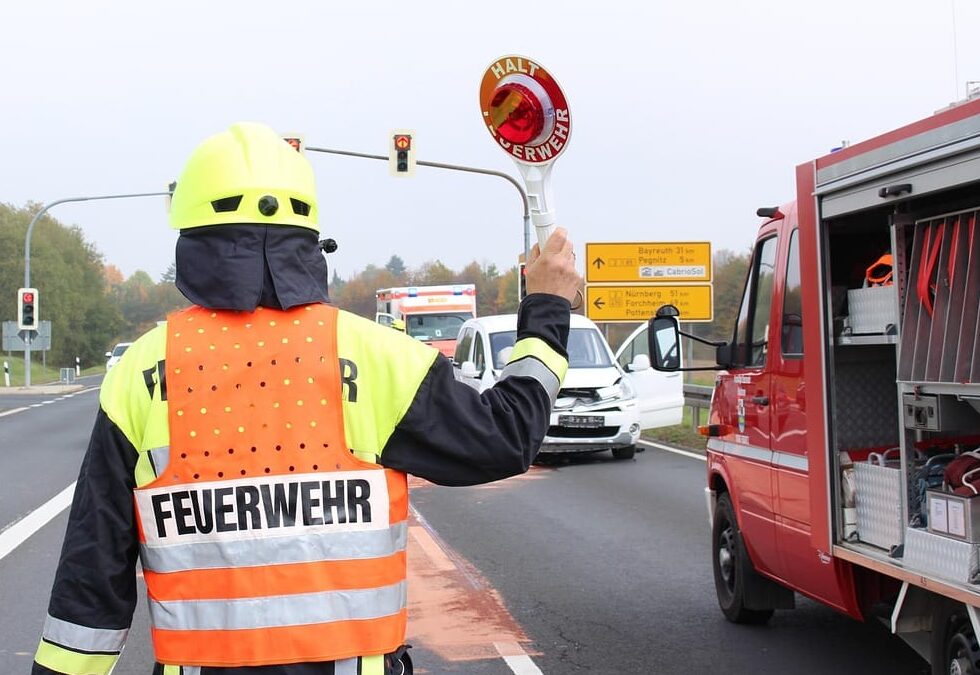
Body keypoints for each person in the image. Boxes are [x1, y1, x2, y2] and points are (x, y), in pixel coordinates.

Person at [32, 122, 581, 675]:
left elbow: (91, 577)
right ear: (309, 236)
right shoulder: (377, 354)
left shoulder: (142, 370)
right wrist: (548, 307)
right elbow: (507, 436)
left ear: (191, 236)